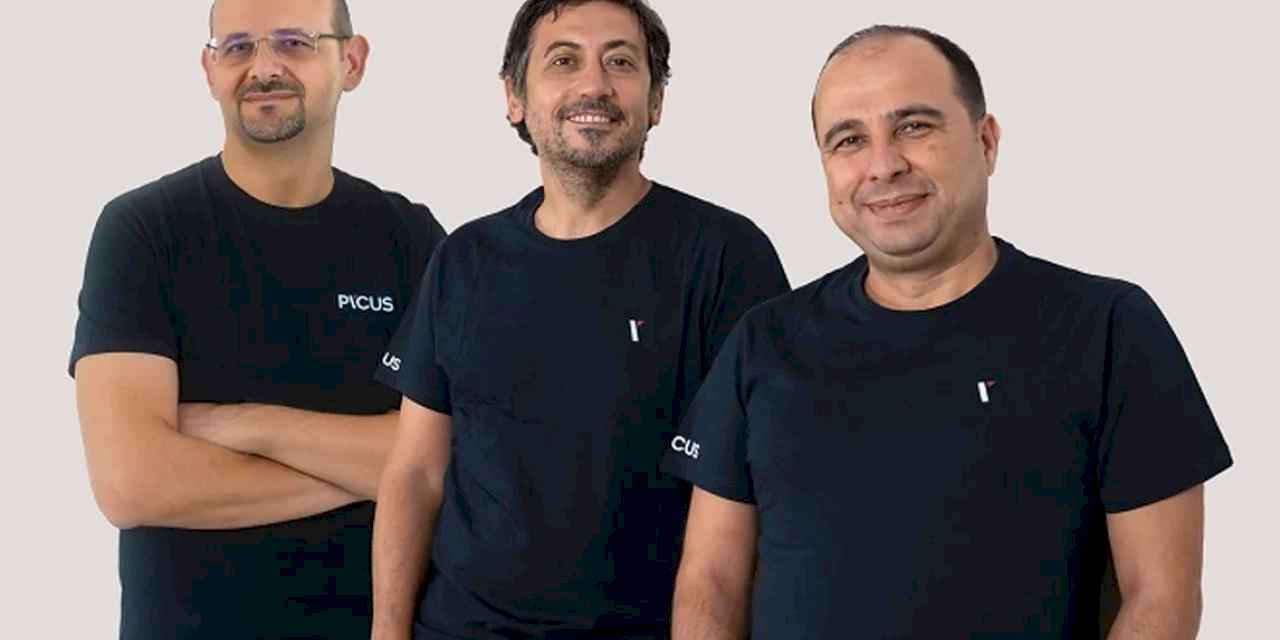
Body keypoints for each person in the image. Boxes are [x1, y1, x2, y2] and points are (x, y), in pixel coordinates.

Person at [663, 25, 1232, 639]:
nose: (884, 165)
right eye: (849, 140)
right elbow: (710, 586)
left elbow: (1161, 599)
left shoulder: (1108, 328)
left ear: (986, 142)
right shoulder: (764, 342)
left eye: (914, 126)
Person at [370, 1, 790, 638]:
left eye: (620, 62)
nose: (594, 84)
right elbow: (415, 473)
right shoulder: (464, 258)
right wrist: (387, 630)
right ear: (515, 97)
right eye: (563, 60)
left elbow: (757, 500)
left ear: (656, 101)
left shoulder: (726, 257)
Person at [69, 1, 446, 638]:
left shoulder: (410, 238)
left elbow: (459, 456)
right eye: (238, 47)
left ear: (352, 62)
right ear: (209, 69)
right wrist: (382, 470)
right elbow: (132, 483)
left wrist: (244, 425)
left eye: (294, 42)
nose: (263, 67)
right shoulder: (143, 231)